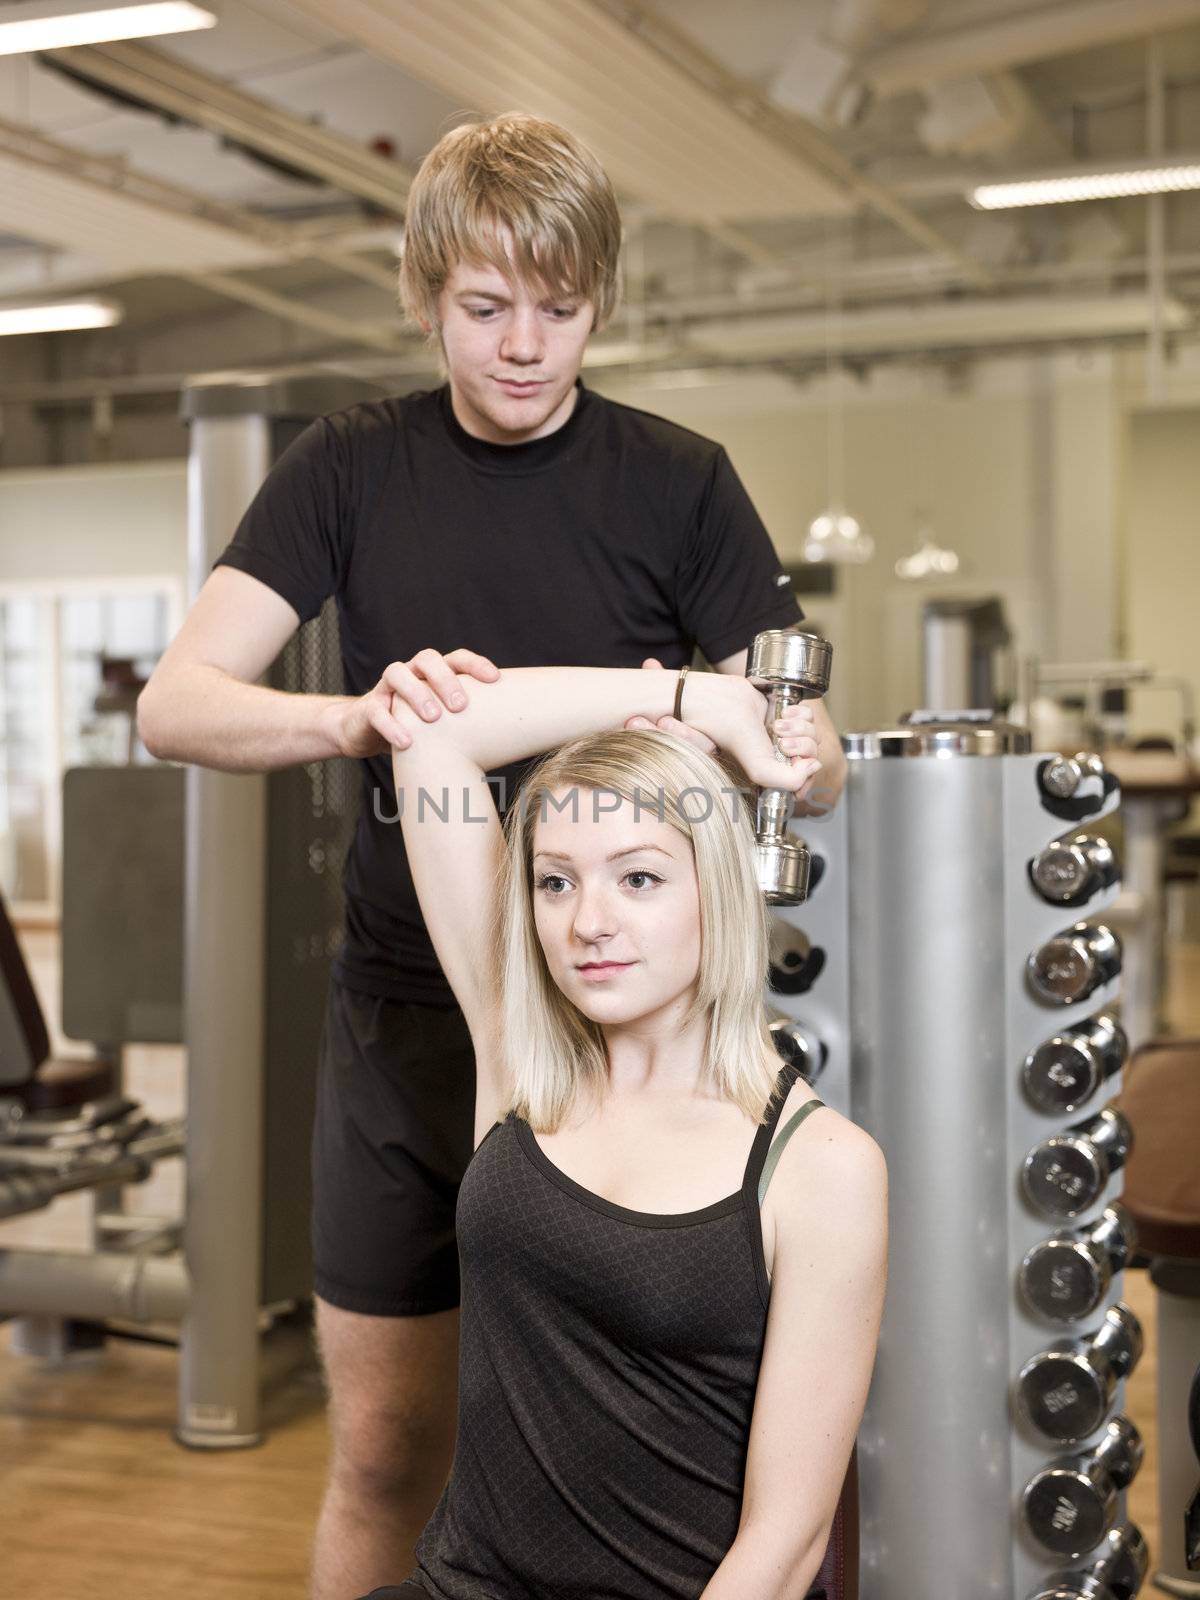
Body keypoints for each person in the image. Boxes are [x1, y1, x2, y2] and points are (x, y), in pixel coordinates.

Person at [136, 111, 849, 1599]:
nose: (526, 345)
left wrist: (793, 741)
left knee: (609, 1454)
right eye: (483, 308)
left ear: (603, 298)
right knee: (390, 1449)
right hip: (412, 1001)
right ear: (422, 292)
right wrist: (356, 716)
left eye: (563, 307)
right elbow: (179, 703)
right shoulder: (351, 469)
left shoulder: (678, 480)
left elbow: (805, 749)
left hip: (630, 1022)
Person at [355, 661, 887, 1599]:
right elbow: (429, 733)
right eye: (554, 884)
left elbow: (785, 1545)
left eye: (638, 877)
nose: (587, 922)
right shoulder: (522, 1065)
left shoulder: (822, 1169)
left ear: (713, 888)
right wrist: (699, 700)